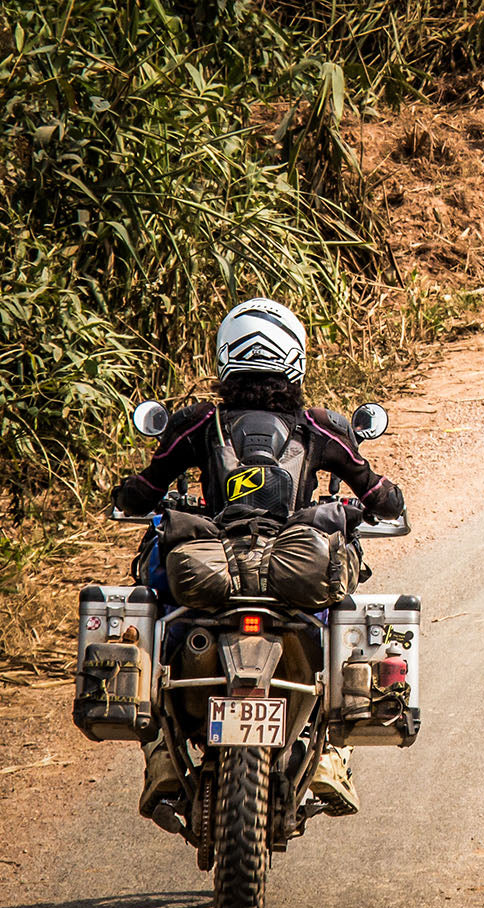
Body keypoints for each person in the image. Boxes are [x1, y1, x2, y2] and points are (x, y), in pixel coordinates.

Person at [113, 297, 406, 820]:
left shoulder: (199, 423)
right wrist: (365, 506)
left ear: (226, 354)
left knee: (151, 593)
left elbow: (141, 492)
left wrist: (135, 495)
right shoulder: (322, 427)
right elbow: (381, 495)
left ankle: (159, 750)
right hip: (295, 575)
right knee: (343, 595)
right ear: (295, 359)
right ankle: (333, 753)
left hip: (209, 571)